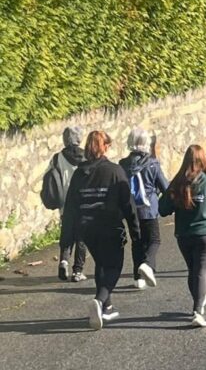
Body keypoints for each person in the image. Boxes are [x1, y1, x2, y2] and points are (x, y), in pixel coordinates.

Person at [61, 131, 140, 330]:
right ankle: (99, 299)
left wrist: (66, 245)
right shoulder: (114, 171)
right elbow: (127, 204)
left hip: (86, 229)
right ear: (104, 146)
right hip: (110, 227)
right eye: (108, 145)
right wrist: (136, 231)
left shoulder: (79, 174)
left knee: (101, 264)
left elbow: (70, 208)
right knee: (114, 266)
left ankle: (108, 307)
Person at [159, 145, 206, 328]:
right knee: (201, 270)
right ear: (203, 160)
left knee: (192, 270)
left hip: (184, 234)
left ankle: (198, 302)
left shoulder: (177, 183)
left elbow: (163, 209)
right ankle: (198, 310)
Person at [119, 128, 168, 290]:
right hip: (149, 207)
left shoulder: (123, 164)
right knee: (154, 240)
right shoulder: (152, 163)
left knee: (137, 241)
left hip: (131, 209)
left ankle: (137, 277)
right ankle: (147, 265)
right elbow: (165, 187)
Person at [51, 126, 88, 283]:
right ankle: (77, 271)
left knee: (66, 235)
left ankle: (64, 261)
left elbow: (51, 177)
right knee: (81, 237)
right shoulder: (86, 156)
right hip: (83, 203)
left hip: (65, 204)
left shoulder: (57, 158)